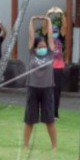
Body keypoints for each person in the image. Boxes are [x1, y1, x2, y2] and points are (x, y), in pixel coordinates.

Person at [23, 15, 57, 150]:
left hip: (47, 89)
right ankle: (25, 145)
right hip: (33, 88)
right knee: (29, 119)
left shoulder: (50, 53)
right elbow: (31, 36)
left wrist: (48, 21)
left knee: (49, 120)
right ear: (36, 47)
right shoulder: (32, 53)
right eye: (40, 46)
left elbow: (50, 37)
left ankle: (54, 146)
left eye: (44, 46)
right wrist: (31, 20)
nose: (43, 48)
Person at [50, 25, 65, 118]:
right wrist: (47, 15)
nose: (54, 33)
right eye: (52, 32)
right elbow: (44, 29)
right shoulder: (47, 41)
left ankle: (55, 112)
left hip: (58, 68)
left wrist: (60, 14)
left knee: (56, 91)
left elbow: (64, 27)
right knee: (48, 90)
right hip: (49, 68)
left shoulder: (60, 39)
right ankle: (48, 111)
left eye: (55, 32)